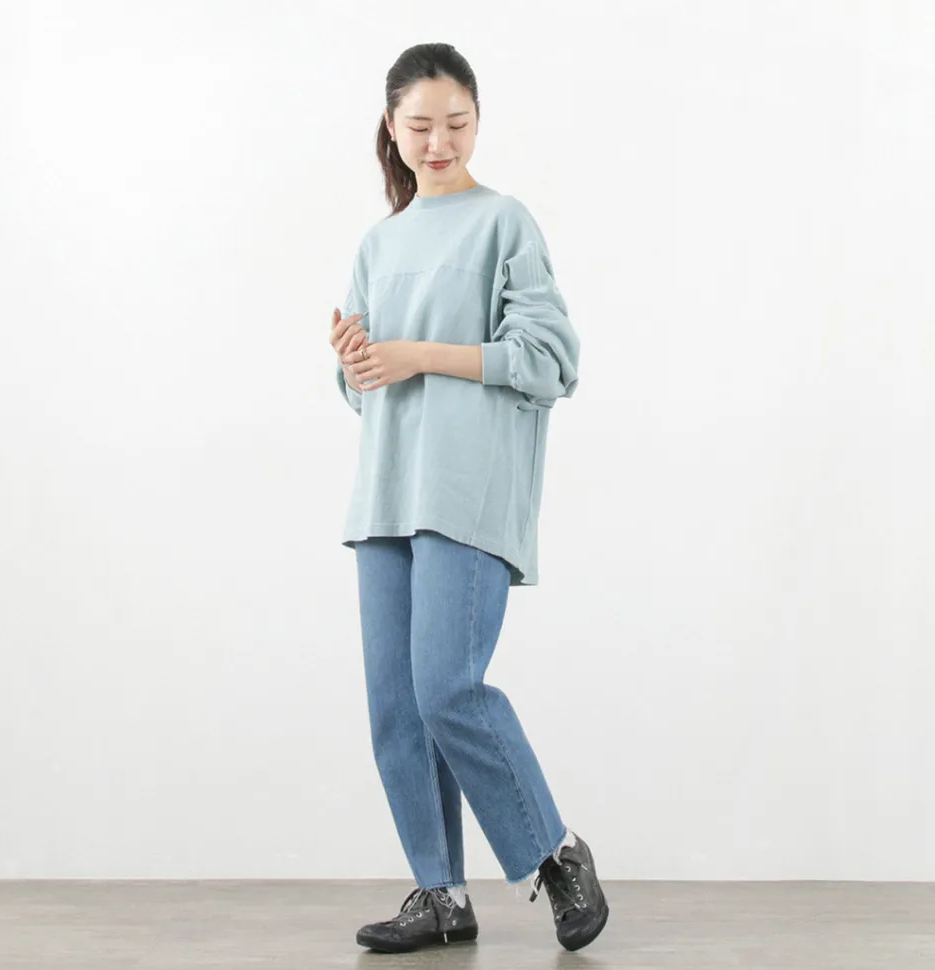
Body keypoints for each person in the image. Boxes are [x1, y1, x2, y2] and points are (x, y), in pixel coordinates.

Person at [328, 42, 607, 954]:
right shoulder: (378, 244)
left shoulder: (504, 224)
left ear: (478, 121)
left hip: (467, 492)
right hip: (386, 496)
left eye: (456, 123)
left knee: (448, 687)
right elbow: (363, 389)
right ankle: (440, 893)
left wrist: (418, 354)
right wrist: (357, 363)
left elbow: (549, 360)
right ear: (391, 127)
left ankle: (554, 851)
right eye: (420, 126)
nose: (438, 142)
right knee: (396, 708)